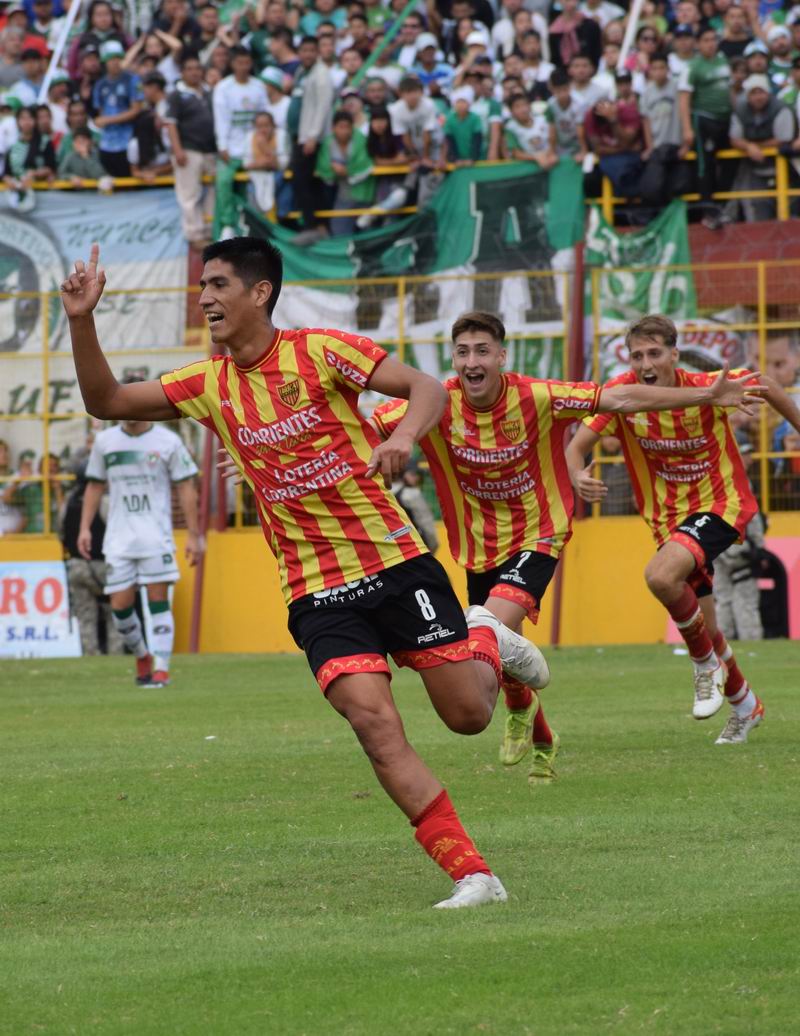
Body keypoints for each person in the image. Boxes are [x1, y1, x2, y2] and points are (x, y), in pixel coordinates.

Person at [61, 238, 552, 910]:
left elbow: (426, 387)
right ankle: (474, 874)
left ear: (260, 292)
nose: (204, 297)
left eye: (218, 284)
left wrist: (404, 435)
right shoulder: (207, 383)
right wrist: (82, 319)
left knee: (467, 716)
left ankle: (488, 638)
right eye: (202, 285)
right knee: (373, 723)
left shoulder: (321, 350)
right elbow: (108, 400)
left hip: (394, 560)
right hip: (316, 589)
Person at [371, 311, 765, 777]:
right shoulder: (435, 404)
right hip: (479, 544)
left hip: (540, 533)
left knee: (491, 631)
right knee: (495, 641)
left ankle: (526, 708)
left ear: (501, 356)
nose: (471, 360)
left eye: (482, 351)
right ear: (453, 359)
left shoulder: (538, 395)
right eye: (462, 352)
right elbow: (361, 434)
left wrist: (707, 393)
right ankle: (541, 734)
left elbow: (618, 397)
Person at [566, 314, 800, 744]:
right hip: (667, 519)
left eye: (654, 353)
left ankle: (703, 665)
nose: (645, 362)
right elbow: (577, 446)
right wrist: (577, 473)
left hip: (720, 504)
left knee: (659, 576)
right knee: (706, 627)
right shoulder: (623, 395)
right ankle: (746, 704)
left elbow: (764, 382)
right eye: (637, 355)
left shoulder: (708, 386)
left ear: (674, 354)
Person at [78, 376, 203, 688]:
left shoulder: (167, 442)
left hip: (155, 536)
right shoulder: (106, 442)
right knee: (120, 607)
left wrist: (194, 534)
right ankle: (142, 653)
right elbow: (94, 486)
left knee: (157, 601)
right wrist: (84, 528)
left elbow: (186, 487)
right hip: (118, 538)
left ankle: (161, 667)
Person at [60, 456, 125, 657]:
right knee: (115, 611)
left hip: (76, 565)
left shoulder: (68, 502)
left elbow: (60, 532)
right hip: (102, 565)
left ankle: (90, 654)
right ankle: (116, 653)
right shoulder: (104, 500)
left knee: (85, 615)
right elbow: (116, 530)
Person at [678, 27, 732, 229]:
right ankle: (708, 211)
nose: (710, 43)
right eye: (706, 40)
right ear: (698, 44)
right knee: (705, 165)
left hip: (725, 119)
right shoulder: (692, 67)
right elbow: (684, 99)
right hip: (704, 119)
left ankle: (721, 206)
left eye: (713, 39)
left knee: (731, 160)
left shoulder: (723, 61)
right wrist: (687, 129)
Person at [213, 45, 268, 239]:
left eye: (246, 63)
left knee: (257, 184)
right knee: (224, 180)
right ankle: (228, 224)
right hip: (232, 148)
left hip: (255, 148)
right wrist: (222, 146)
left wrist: (264, 143)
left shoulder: (258, 87)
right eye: (239, 63)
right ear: (232, 64)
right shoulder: (223, 88)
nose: (243, 67)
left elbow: (264, 116)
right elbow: (221, 118)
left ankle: (254, 226)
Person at [163, 51, 217, 249]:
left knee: (213, 190)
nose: (194, 72)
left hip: (210, 150)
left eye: (197, 69)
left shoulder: (210, 92)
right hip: (188, 148)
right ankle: (195, 234)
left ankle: (212, 230)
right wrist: (177, 150)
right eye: (190, 69)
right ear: (182, 72)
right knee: (189, 193)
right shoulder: (177, 94)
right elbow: (170, 124)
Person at [287, 35, 334, 244]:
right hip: (301, 135)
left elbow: (323, 107)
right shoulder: (302, 72)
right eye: (303, 50)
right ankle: (317, 225)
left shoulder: (321, 75)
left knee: (301, 180)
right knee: (307, 181)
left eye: (311, 50)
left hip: (311, 138)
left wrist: (312, 137)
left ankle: (312, 226)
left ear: (317, 52)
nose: (307, 54)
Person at [92, 39, 143, 177]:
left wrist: (109, 120)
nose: (115, 62)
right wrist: (102, 121)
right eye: (111, 59)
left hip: (128, 139)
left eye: (117, 58)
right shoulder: (100, 85)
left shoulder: (132, 80)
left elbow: (136, 109)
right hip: (107, 143)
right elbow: (100, 112)